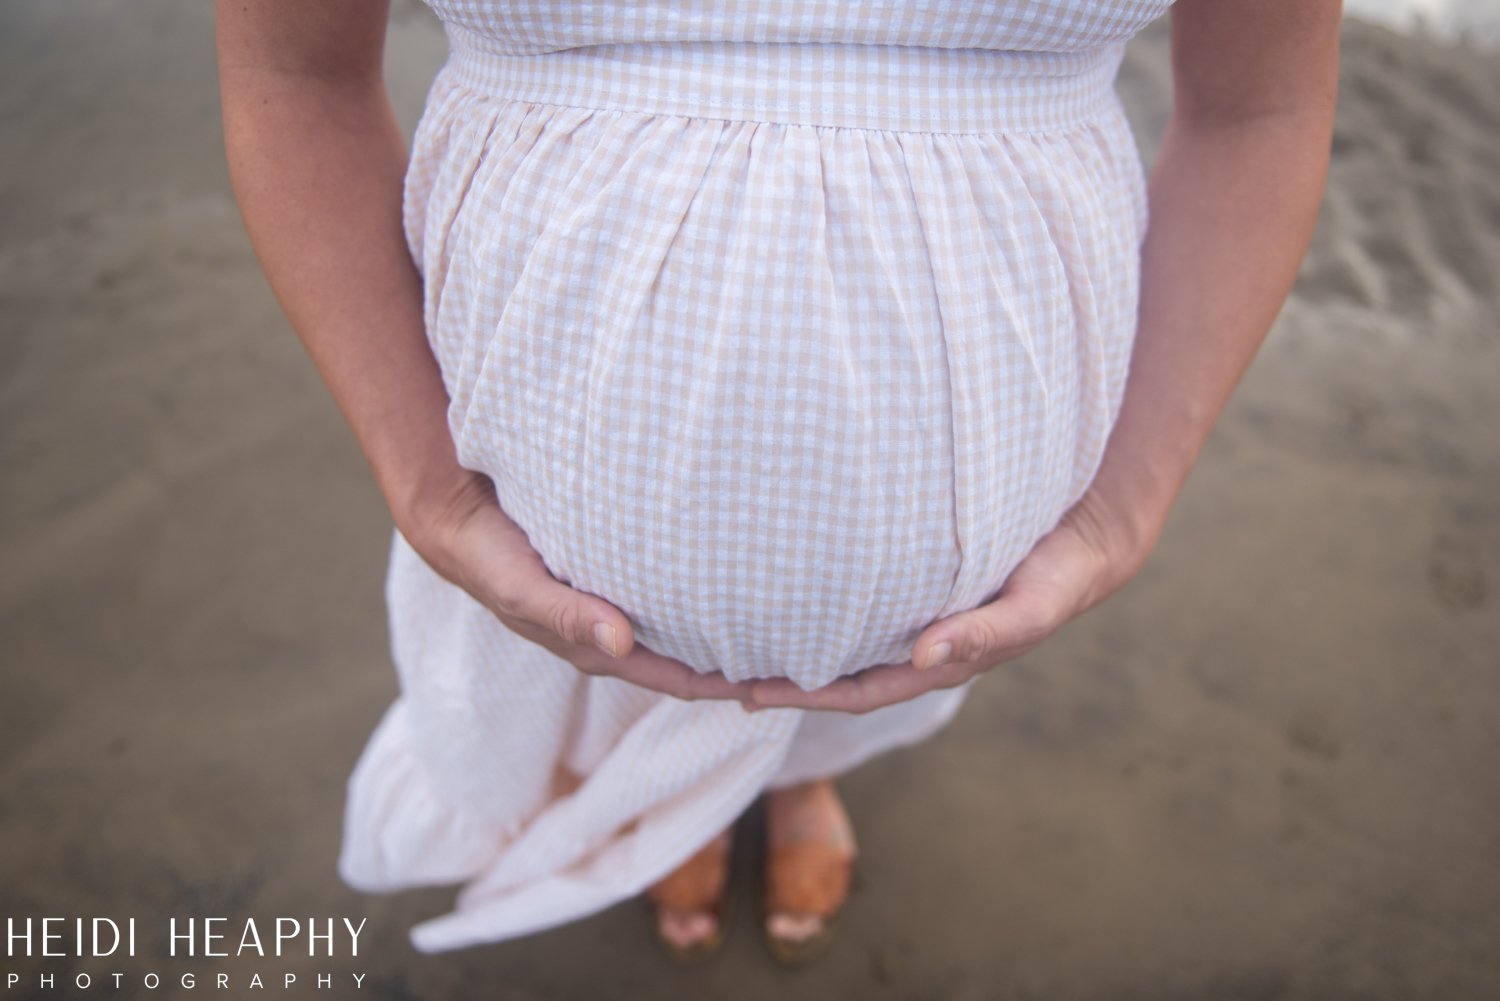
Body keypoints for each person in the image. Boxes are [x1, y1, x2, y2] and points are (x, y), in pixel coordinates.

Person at [216, 0, 1340, 966]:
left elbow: (1261, 110)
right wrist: (433, 489)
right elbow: (292, 69)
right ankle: (679, 796)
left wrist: (1117, 510)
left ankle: (796, 775)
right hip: (527, 489)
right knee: (605, 689)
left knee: (880, 688)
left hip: (962, 540)